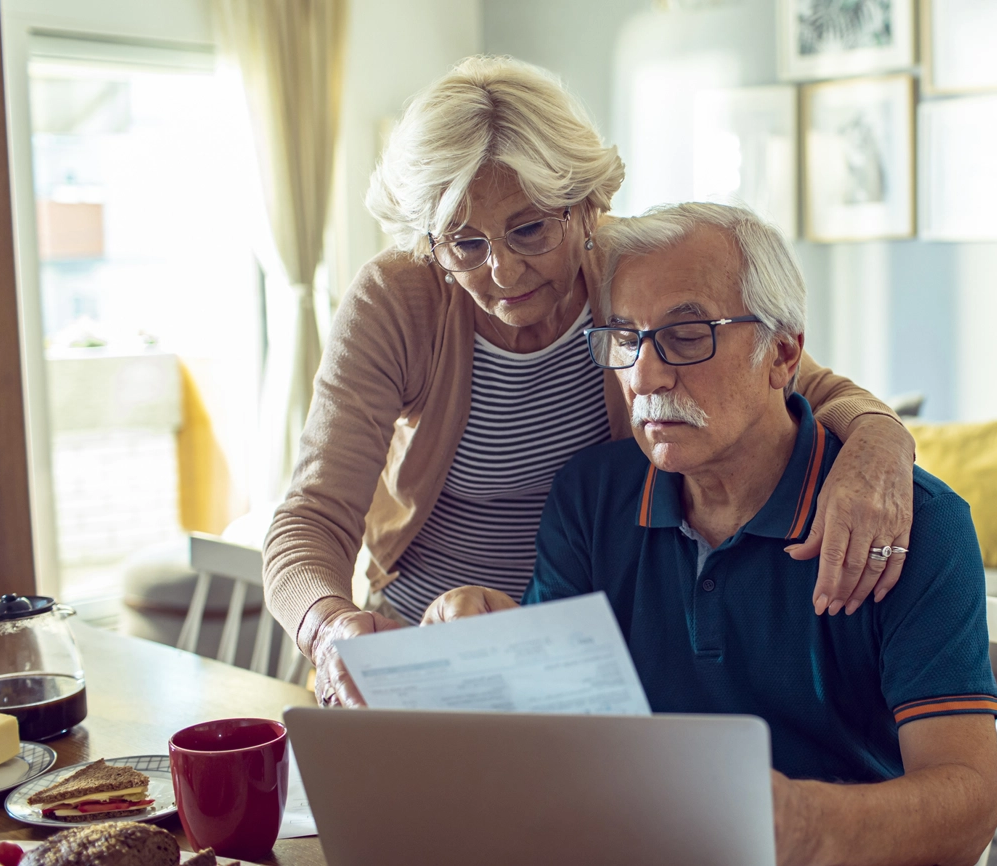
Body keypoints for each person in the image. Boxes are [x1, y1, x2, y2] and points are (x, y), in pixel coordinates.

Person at [262, 55, 921, 708]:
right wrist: (329, 627)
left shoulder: (629, 278)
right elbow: (311, 517)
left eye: (529, 229)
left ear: (585, 207)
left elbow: (796, 377)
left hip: (589, 658)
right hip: (421, 647)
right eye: (465, 244)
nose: (503, 272)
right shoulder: (399, 299)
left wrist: (879, 441)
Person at [427, 202, 997, 866]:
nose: (644, 377)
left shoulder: (915, 524)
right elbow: (552, 732)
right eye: (624, 338)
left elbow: (969, 803)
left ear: (782, 352)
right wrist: (483, 640)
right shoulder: (589, 497)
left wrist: (804, 826)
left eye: (687, 334)